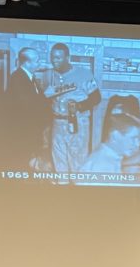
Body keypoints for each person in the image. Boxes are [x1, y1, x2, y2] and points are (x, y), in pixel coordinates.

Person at [43, 42, 101, 176]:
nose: (54, 60)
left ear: (67, 58)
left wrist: (80, 106)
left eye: (58, 57)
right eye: (52, 57)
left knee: (77, 162)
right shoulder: (49, 75)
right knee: (59, 162)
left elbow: (96, 97)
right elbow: (45, 101)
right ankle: (62, 193)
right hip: (58, 123)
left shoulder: (83, 73)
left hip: (77, 124)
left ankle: (77, 193)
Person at [6, 47, 48, 168]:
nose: (39, 63)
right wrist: (46, 97)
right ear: (27, 63)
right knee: (22, 165)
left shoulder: (30, 78)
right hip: (22, 135)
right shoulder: (17, 78)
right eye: (37, 61)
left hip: (30, 134)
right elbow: (27, 105)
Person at [78, 114, 140, 183]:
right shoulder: (102, 164)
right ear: (115, 136)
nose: (137, 144)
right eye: (133, 138)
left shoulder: (110, 157)